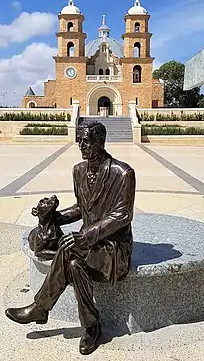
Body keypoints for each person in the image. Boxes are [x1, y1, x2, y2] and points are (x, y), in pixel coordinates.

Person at [5, 121, 136, 355]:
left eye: (86, 140)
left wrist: (85, 236)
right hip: (87, 248)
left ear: (100, 141)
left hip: (113, 247)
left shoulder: (123, 172)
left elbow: (122, 215)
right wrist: (53, 217)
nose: (81, 145)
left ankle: (40, 307)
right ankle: (91, 325)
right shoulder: (78, 170)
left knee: (67, 249)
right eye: (79, 140)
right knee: (74, 265)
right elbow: (81, 208)